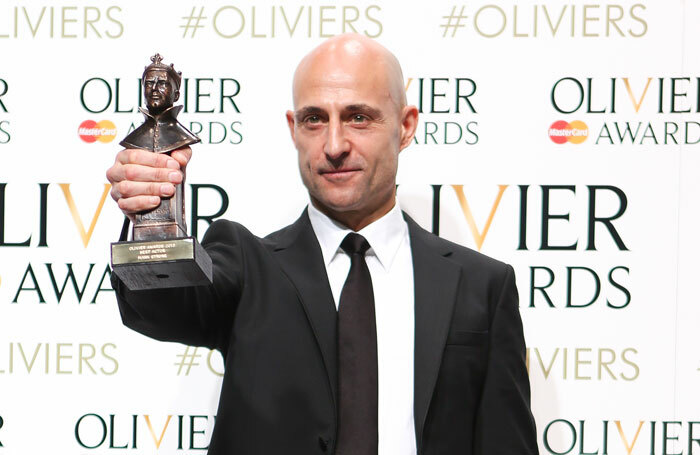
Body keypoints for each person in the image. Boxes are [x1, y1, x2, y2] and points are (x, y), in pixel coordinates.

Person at [106, 34, 538, 454]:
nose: (334, 146)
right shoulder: (246, 265)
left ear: (406, 127)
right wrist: (148, 212)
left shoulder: (483, 286)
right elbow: (160, 305)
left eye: (358, 117)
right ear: (294, 129)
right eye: (315, 119)